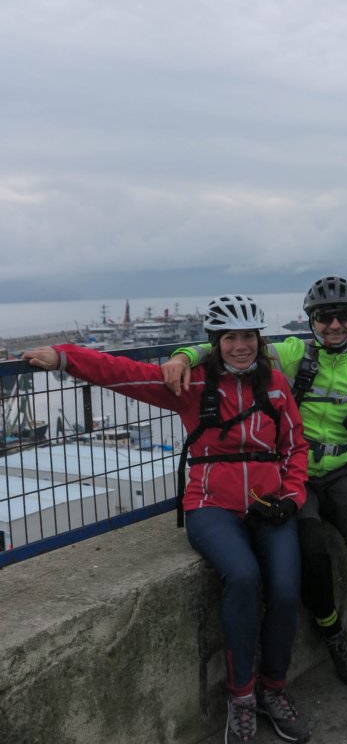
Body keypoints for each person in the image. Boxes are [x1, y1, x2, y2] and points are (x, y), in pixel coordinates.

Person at [23, 294, 311, 744]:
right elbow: (123, 374)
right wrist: (64, 358)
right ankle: (241, 697)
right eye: (229, 338)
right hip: (211, 505)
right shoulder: (191, 383)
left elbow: (295, 447)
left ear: (259, 339)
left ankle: (273, 688)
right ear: (214, 342)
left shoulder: (275, 384)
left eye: (248, 337)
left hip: (270, 503)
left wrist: (291, 498)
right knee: (242, 576)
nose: (240, 346)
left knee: (287, 588)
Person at [161, 276, 347, 689]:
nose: (335, 325)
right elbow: (234, 347)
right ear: (312, 321)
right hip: (293, 478)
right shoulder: (293, 354)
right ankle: (332, 630)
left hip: (339, 473)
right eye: (325, 317)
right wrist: (184, 355)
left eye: (343, 316)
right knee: (310, 550)